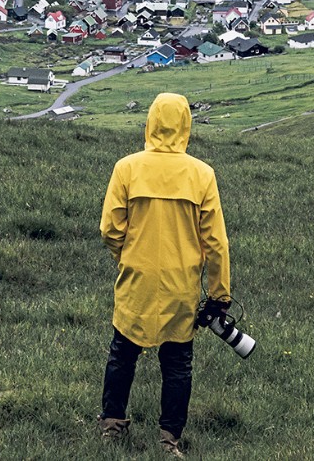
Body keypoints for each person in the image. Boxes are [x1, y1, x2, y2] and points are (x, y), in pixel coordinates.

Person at [97, 92, 231, 456]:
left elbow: (110, 228)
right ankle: (168, 439)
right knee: (177, 362)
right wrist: (220, 294)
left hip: (135, 278)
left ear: (151, 122)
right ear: (186, 126)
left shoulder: (127, 168)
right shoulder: (202, 175)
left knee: (122, 352)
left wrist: (126, 257)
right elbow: (216, 242)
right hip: (181, 284)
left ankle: (112, 425)